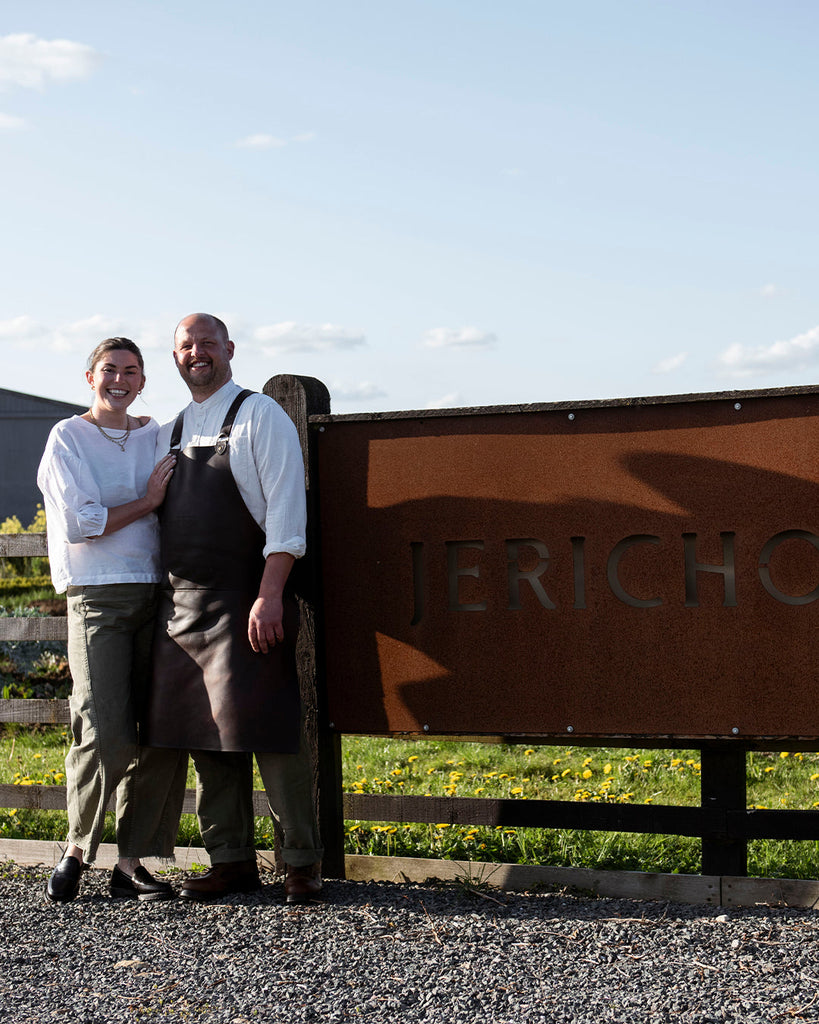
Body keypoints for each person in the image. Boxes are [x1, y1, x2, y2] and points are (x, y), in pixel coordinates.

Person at [144, 313, 323, 903]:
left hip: (250, 599)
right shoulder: (169, 431)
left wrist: (269, 595)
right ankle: (231, 861)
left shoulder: (259, 415)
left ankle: (301, 863)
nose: (197, 352)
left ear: (229, 349)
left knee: (270, 732)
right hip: (183, 609)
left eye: (207, 343)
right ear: (176, 356)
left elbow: (287, 516)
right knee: (207, 737)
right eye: (186, 345)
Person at [37, 338, 189, 903]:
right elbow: (81, 523)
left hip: (160, 593)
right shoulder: (67, 437)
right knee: (102, 727)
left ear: (143, 381)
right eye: (109, 370)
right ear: (90, 377)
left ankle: (131, 864)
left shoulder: (156, 434)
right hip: (97, 595)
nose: (119, 380)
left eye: (130, 371)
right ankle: (77, 848)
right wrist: (148, 502)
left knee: (161, 729)